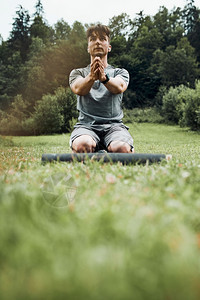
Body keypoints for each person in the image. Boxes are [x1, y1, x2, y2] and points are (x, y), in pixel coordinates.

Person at [69, 24, 134, 153]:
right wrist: (92, 77)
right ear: (88, 48)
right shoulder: (77, 73)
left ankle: (108, 149)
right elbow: (78, 89)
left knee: (121, 148)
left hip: (114, 127)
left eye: (102, 39)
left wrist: (104, 78)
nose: (97, 42)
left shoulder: (120, 72)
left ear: (109, 47)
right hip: (86, 127)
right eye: (93, 39)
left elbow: (119, 87)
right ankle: (97, 149)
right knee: (83, 145)